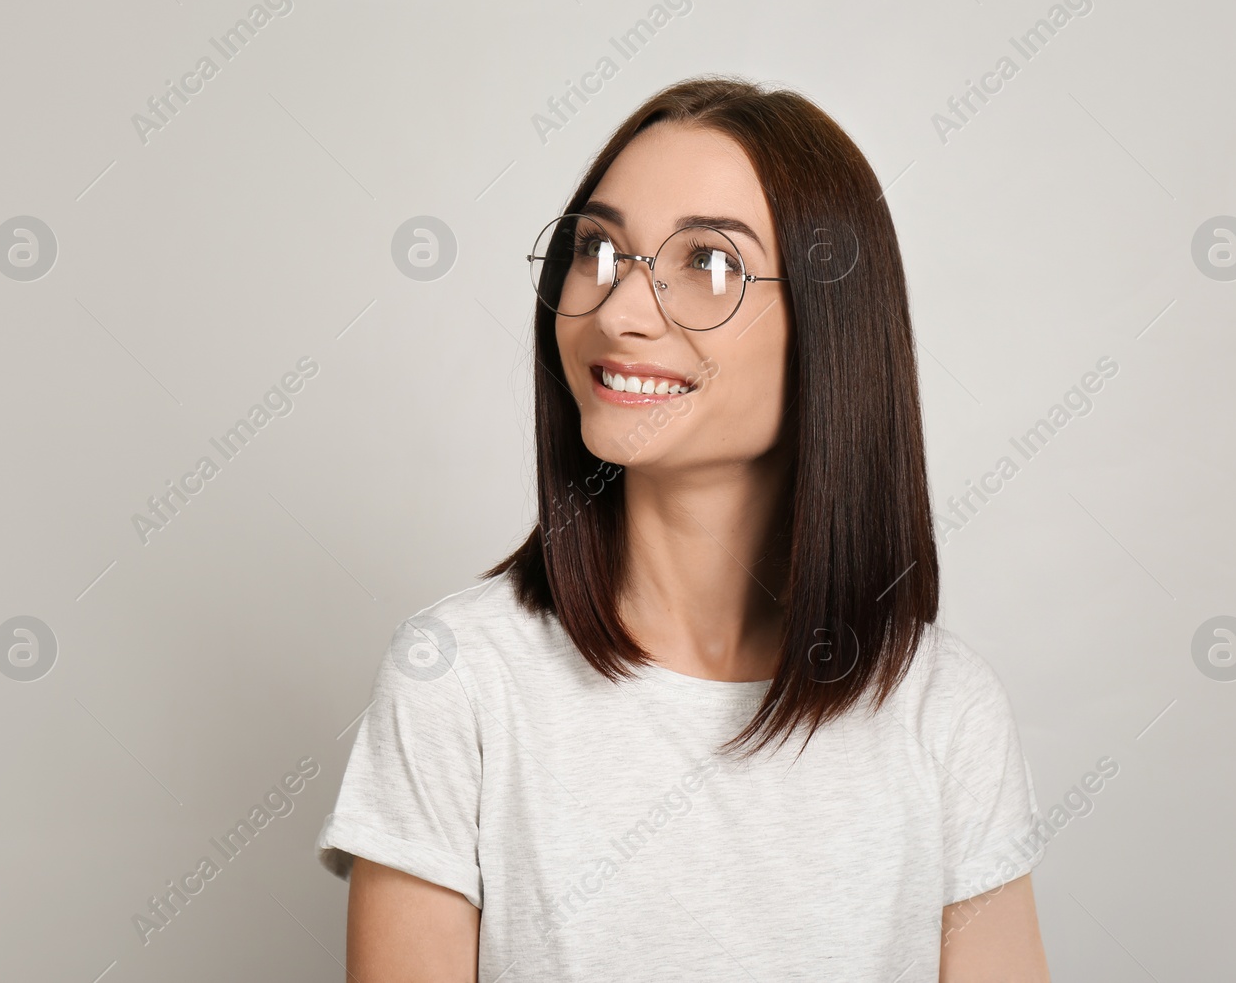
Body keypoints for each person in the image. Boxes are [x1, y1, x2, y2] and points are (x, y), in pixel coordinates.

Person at [316, 74, 1052, 981]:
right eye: (597, 249)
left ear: (833, 326)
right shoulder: (458, 682)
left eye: (708, 264)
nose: (617, 311)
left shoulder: (945, 712)